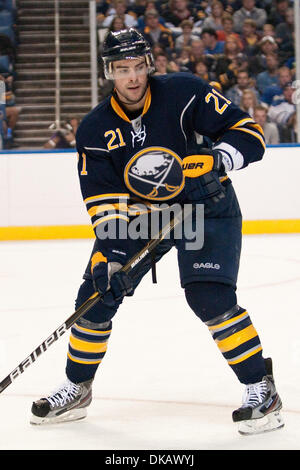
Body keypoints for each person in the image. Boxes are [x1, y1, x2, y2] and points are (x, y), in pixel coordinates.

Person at [30, 28, 284, 436]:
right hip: (142, 215)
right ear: (109, 72)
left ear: (149, 65)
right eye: (121, 69)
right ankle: (77, 387)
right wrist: (112, 256)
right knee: (95, 296)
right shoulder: (95, 129)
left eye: (137, 67)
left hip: (205, 206)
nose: (132, 78)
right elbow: (103, 199)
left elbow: (249, 134)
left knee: (210, 297)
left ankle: (260, 388)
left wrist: (217, 161)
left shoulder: (185, 92)